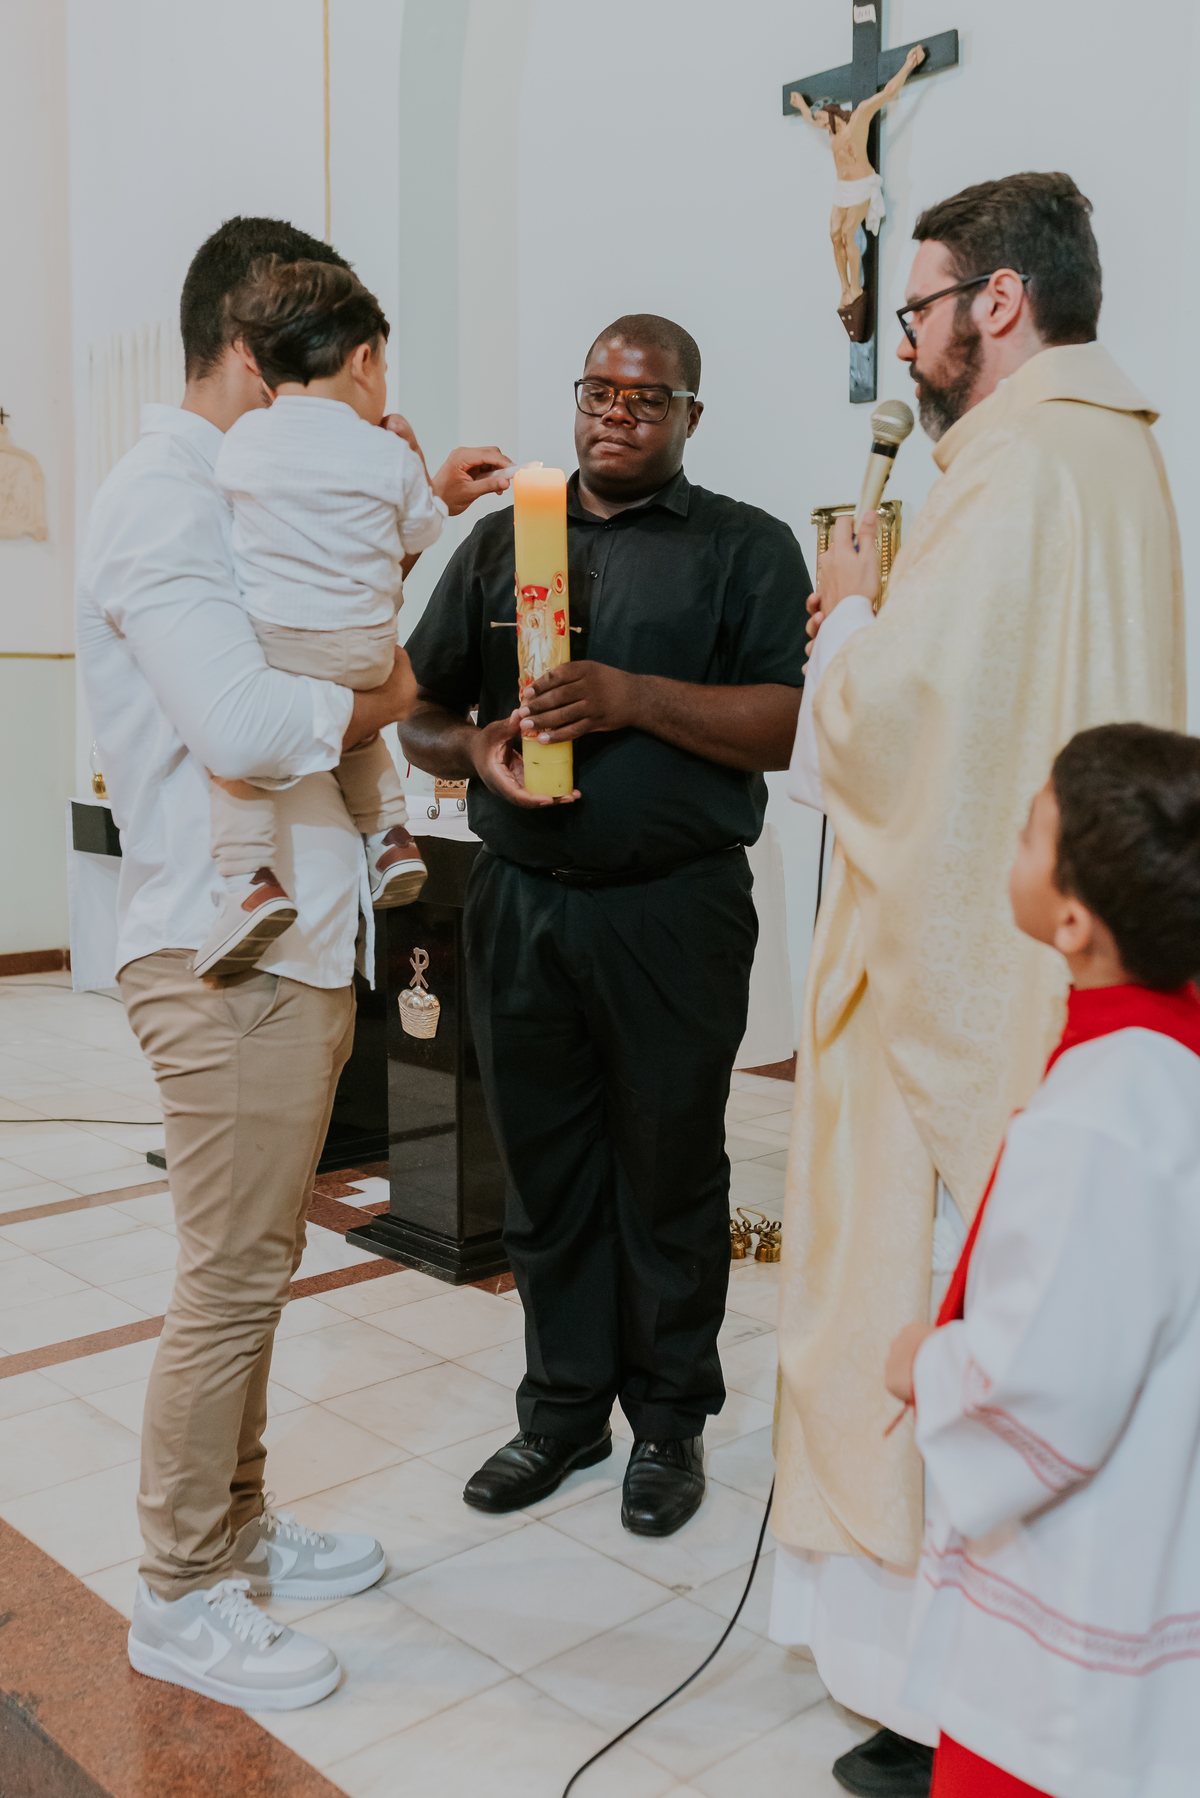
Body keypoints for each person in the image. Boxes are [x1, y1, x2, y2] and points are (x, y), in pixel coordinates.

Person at [770, 173, 1184, 1796]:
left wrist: (849, 617)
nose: (909, 341)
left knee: (943, 1293)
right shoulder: (1113, 449)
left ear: (998, 302)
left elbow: (902, 727)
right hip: (1082, 968)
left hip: (981, 977)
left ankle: (932, 1686)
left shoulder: (1018, 468)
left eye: (923, 306)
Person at [75, 213, 511, 1711]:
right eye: (322, 371)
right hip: (223, 960)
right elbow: (252, 727)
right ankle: (179, 1587)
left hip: (296, 946)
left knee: (259, 1264)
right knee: (230, 1276)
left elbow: (326, 641)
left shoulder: (247, 489)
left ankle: (241, 1526)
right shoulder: (162, 501)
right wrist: (391, 688)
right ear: (258, 360)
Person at [400, 314, 810, 1535]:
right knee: (547, 1169)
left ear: (691, 415)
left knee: (669, 1168)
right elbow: (417, 709)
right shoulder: (502, 543)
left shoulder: (743, 546)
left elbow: (786, 725)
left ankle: (671, 1422)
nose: (616, 414)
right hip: (522, 903)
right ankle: (565, 1410)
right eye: (599, 392)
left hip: (673, 909)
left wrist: (631, 696)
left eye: (646, 398)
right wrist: (472, 745)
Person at [887, 722, 1200, 1798]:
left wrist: (925, 1363)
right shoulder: (1162, 1060)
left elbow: (1050, 1387)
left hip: (1082, 1611)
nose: (1011, 845)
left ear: (1073, 919)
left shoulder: (1103, 1117)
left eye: (1030, 831)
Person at [195, 256, 443, 980]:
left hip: (277, 642)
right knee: (355, 729)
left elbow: (226, 513)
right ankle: (391, 837)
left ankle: (249, 880)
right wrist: (413, 469)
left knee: (233, 757)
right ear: (363, 360)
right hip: (367, 648)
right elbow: (422, 530)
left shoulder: (245, 440)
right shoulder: (386, 452)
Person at [789, 45, 926, 336]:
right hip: (842, 188)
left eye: (823, 119)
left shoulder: (859, 118)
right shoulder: (832, 131)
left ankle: (856, 288)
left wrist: (908, 65)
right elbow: (811, 119)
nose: (820, 124)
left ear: (833, 115)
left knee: (848, 233)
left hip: (861, 185)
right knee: (834, 235)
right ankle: (844, 288)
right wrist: (801, 105)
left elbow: (888, 92)